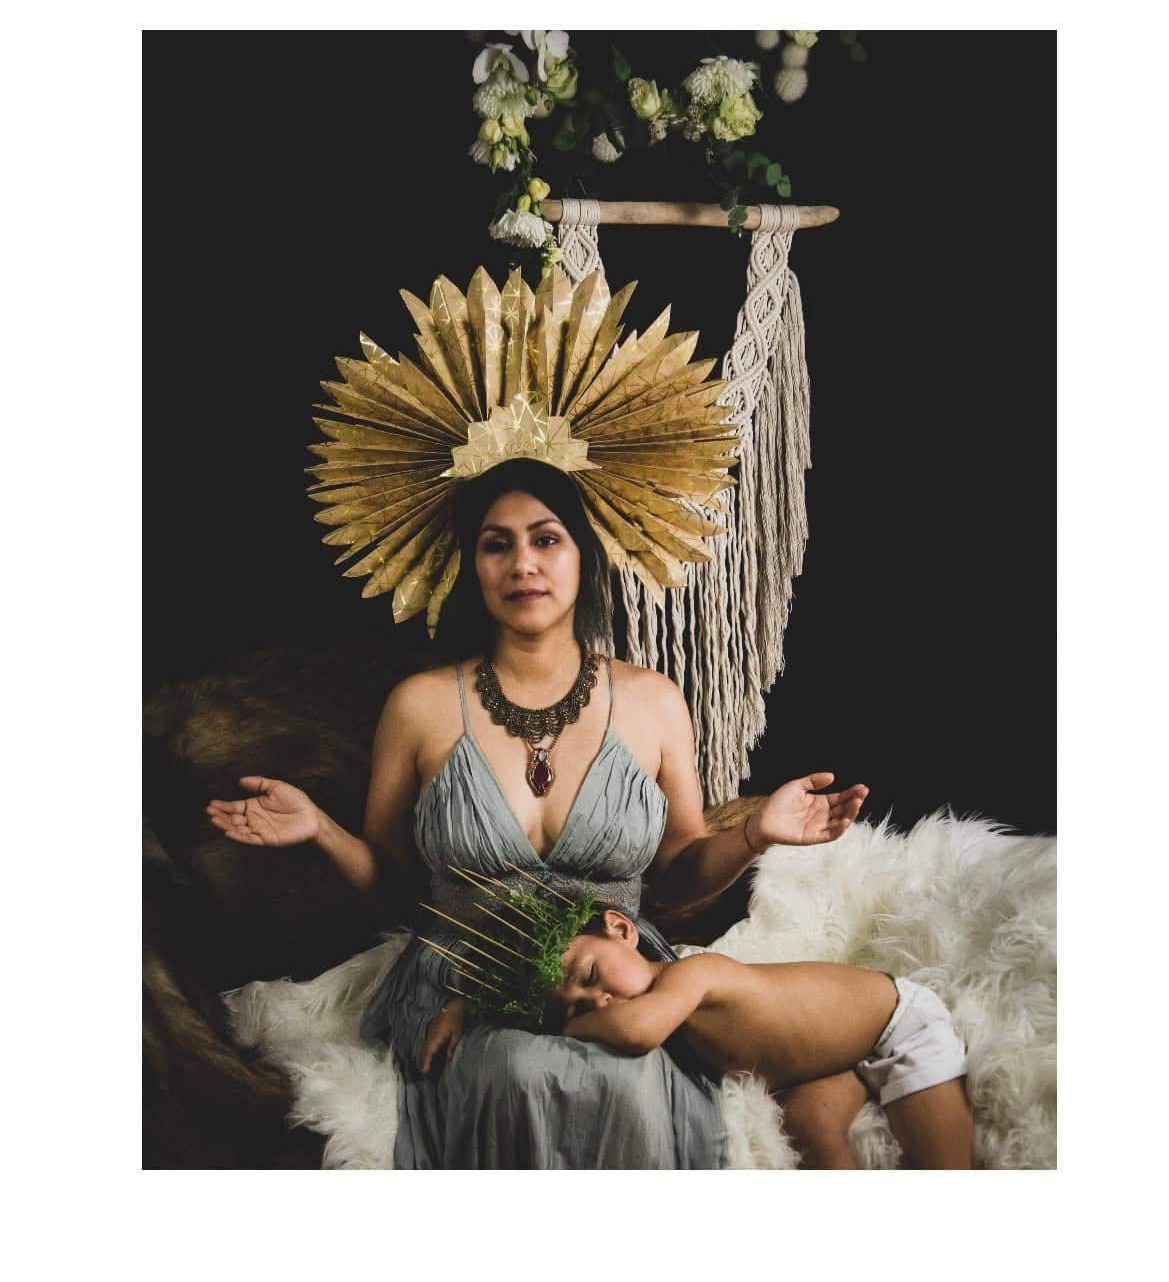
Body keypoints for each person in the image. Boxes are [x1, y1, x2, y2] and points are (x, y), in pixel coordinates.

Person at [206, 458, 870, 1168]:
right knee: (518, 1071)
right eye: (496, 544)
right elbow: (395, 891)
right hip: (464, 972)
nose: (522, 563)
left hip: (614, 969)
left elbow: (675, 881)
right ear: (473, 565)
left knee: (627, 1070)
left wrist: (751, 834)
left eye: (546, 539)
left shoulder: (652, 701)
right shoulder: (420, 705)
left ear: (583, 554)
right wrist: (320, 829)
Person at [545, 904, 974, 1170]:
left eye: (589, 975)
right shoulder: (670, 1018)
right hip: (832, 1061)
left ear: (621, 930)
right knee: (809, 1124)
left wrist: (569, 1026)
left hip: (898, 1025)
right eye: (579, 1006)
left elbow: (638, 1031)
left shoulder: (691, 973)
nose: (596, 1001)